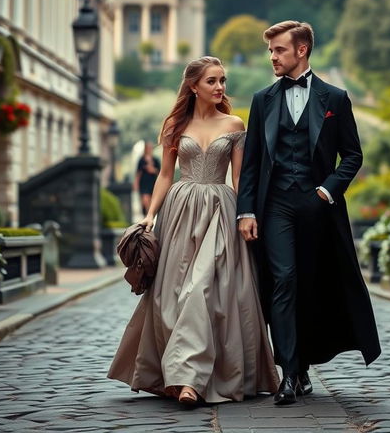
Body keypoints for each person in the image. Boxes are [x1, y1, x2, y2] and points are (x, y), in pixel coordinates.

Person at [108, 56, 279, 405]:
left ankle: (190, 380)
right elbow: (165, 176)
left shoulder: (233, 124)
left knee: (202, 289)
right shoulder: (175, 125)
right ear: (193, 86)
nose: (220, 88)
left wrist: (245, 214)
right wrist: (150, 216)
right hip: (180, 210)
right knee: (172, 295)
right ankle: (177, 374)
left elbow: (241, 176)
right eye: (212, 81)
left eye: (223, 81)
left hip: (220, 208)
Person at [237, 20, 381, 406]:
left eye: (279, 50)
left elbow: (352, 155)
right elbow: (250, 163)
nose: (273, 57)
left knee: (312, 284)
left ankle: (301, 367)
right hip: (276, 205)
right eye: (270, 51)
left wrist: (327, 190)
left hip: (318, 206)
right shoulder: (262, 99)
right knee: (283, 280)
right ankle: (288, 373)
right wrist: (246, 211)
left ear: (301, 50)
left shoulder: (334, 99)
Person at [134, 141, 160, 216]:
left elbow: (160, 172)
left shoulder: (155, 160)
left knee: (151, 200)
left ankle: (149, 215)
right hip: (144, 183)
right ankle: (148, 214)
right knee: (145, 199)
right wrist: (136, 184)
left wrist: (153, 170)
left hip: (152, 182)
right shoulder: (141, 160)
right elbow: (138, 173)